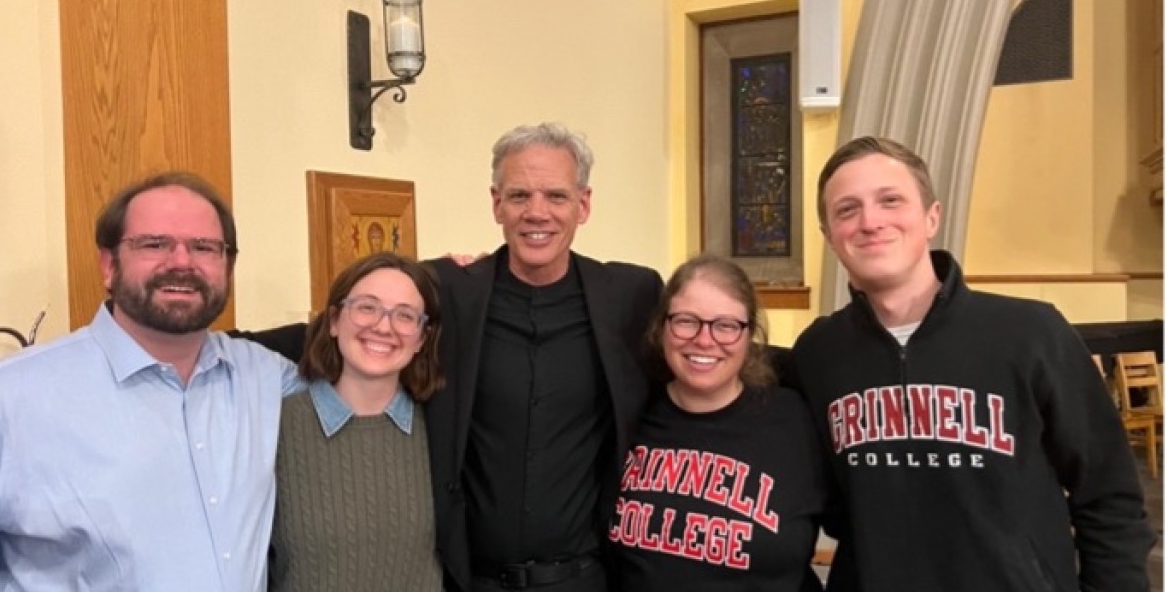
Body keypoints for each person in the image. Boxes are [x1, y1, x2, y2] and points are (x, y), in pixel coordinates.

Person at [236, 123, 664, 591]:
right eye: (519, 196)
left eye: (555, 197)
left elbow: (701, 352)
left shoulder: (630, 296)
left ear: (583, 204)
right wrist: (203, 345)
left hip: (584, 579)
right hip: (468, 579)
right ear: (496, 203)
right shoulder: (450, 288)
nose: (536, 213)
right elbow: (355, 329)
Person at [791, 136, 1156, 591]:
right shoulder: (818, 353)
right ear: (829, 237)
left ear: (931, 217)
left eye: (890, 200)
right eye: (847, 209)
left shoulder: (1031, 333)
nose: (870, 221)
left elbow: (1108, 495)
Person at [0, 172, 304, 591]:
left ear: (228, 266)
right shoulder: (7, 399)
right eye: (154, 244)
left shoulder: (267, 377)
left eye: (204, 247)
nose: (181, 262)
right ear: (108, 264)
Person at [608, 254, 825, 591]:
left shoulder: (797, 418)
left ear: (750, 333)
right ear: (661, 327)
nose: (705, 340)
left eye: (726, 325)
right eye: (686, 321)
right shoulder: (626, 412)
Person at [270, 252, 444, 591]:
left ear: (422, 338)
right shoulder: (277, 427)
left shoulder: (441, 429)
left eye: (405, 315)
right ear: (334, 320)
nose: (383, 326)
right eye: (367, 307)